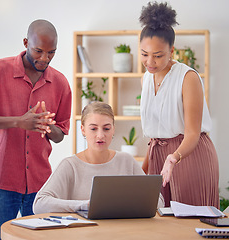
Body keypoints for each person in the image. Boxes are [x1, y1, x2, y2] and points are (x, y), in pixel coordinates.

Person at [0, 19, 71, 240]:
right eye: (38, 51)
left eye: (51, 52)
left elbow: (60, 134)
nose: (44, 58)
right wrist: (18, 122)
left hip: (39, 182)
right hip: (0, 179)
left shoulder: (61, 83)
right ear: (25, 42)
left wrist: (47, 125)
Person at [139, 2, 219, 208]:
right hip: (159, 157)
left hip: (188, 155)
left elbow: (192, 133)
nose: (150, 62)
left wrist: (174, 157)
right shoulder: (146, 79)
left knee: (191, 225)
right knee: (159, 225)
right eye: (144, 54)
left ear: (171, 51)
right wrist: (143, 169)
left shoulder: (187, 77)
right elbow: (155, 135)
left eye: (158, 56)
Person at [33, 102, 164, 214]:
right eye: (93, 129)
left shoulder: (126, 160)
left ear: (113, 129)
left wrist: (125, 204)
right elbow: (39, 204)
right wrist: (83, 206)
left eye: (106, 129)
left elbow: (158, 201)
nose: (100, 135)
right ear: (83, 130)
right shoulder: (70, 165)